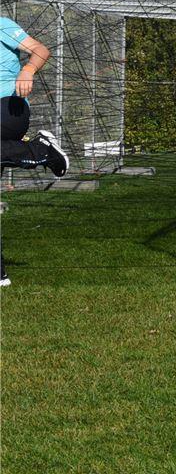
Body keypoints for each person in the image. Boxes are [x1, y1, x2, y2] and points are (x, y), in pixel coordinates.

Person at [1, 16, 70, 286]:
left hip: (9, 107)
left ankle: (39, 149)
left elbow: (41, 50)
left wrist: (28, 69)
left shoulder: (1, 25)